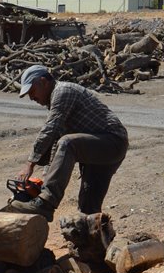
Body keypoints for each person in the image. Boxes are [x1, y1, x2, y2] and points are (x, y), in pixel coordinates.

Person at [9, 64, 128, 220]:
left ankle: (46, 204)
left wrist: (30, 164)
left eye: (32, 91)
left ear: (43, 82)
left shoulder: (63, 91)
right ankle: (91, 242)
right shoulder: (56, 100)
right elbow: (55, 143)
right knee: (88, 208)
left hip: (112, 142)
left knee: (68, 143)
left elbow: (50, 129)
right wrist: (45, 180)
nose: (32, 97)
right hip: (98, 148)